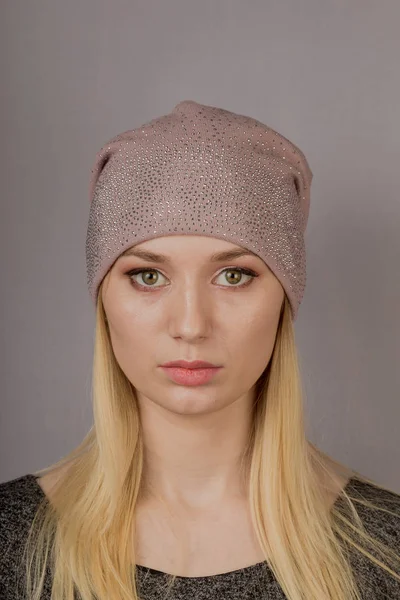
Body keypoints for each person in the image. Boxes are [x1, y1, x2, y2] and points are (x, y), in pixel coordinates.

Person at [1, 100, 400, 600]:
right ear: (103, 295)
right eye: (148, 276)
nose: (190, 325)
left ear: (285, 296)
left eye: (234, 276)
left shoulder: (386, 553)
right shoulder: (11, 544)